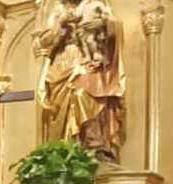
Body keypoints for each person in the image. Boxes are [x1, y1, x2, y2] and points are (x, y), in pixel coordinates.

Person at [34, 0, 126, 162]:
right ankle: (66, 147)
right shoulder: (58, 10)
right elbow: (45, 42)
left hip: (89, 58)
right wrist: (62, 26)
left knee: (83, 92)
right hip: (63, 61)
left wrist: (102, 24)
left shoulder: (95, 3)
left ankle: (94, 143)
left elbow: (115, 27)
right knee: (61, 106)